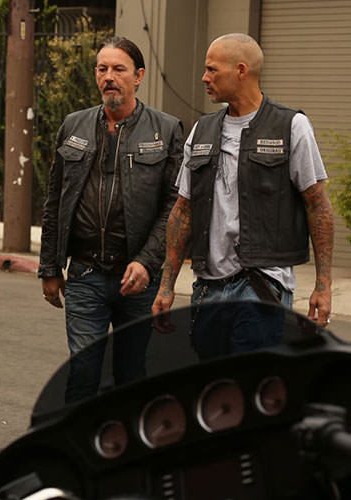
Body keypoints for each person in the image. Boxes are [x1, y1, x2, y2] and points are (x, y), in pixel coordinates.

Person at [152, 33, 334, 340]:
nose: (204, 77)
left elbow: (317, 205)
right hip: (208, 290)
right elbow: (183, 211)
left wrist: (323, 285)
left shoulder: (291, 126)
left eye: (212, 69)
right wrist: (167, 285)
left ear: (240, 71)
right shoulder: (201, 130)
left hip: (261, 286)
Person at [38, 36, 183, 401]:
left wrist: (148, 261)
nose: (109, 77)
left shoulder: (166, 130)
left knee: (130, 375)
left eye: (119, 69)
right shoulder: (73, 125)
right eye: (102, 69)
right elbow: (55, 200)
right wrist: (49, 267)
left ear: (139, 76)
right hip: (85, 273)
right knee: (83, 371)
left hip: (139, 280)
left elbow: (175, 207)